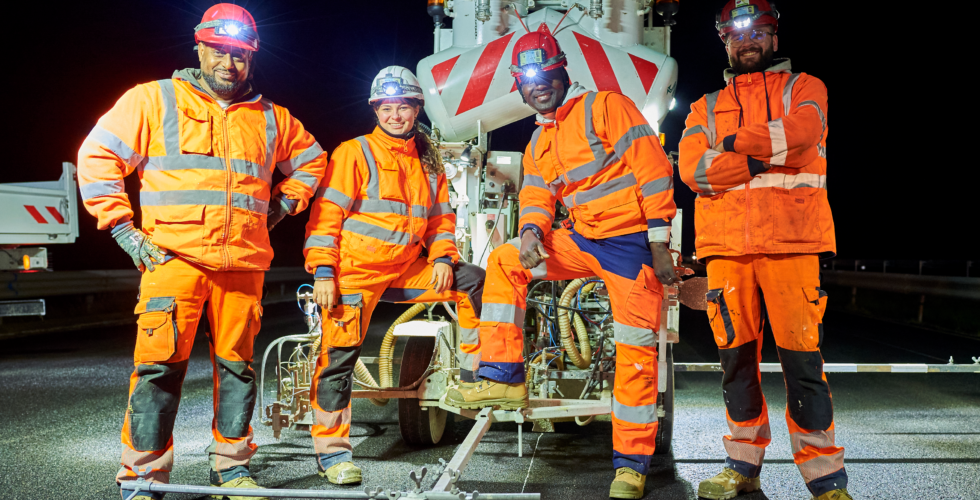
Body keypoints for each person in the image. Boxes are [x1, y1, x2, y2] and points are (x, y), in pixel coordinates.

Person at [76, 4, 327, 499]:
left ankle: (232, 469)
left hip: (243, 266)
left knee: (238, 370)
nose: (228, 64)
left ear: (250, 58)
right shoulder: (153, 100)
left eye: (239, 55)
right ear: (199, 48)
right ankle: (144, 477)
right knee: (158, 369)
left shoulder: (272, 118)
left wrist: (282, 205)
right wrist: (124, 229)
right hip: (172, 262)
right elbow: (97, 154)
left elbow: (314, 162)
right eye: (218, 52)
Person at [442, 23, 678, 500]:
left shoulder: (606, 107)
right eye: (527, 80)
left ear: (561, 71)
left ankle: (631, 466)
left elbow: (652, 169)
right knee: (508, 259)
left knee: (635, 352)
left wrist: (659, 243)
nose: (537, 85)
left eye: (545, 73)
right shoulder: (540, 141)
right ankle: (502, 377)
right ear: (519, 87)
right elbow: (535, 195)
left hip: (631, 247)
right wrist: (530, 232)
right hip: (585, 241)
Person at [678, 1, 850, 499]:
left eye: (756, 32)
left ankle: (825, 479)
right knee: (735, 364)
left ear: (774, 37)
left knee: (803, 366)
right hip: (727, 252)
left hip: (794, 244)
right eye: (735, 34)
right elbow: (694, 171)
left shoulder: (805, 88)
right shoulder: (702, 107)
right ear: (724, 41)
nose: (745, 41)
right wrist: (755, 161)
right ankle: (741, 466)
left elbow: (803, 133)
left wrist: (730, 145)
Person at [302, 65, 486, 485]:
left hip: (406, 268)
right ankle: (332, 453)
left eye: (403, 107)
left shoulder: (429, 160)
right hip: (355, 273)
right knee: (338, 360)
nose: (395, 116)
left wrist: (442, 258)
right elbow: (326, 216)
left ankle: (479, 377)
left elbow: (441, 219)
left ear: (417, 108)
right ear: (375, 110)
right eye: (386, 108)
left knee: (473, 280)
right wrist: (325, 271)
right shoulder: (354, 152)